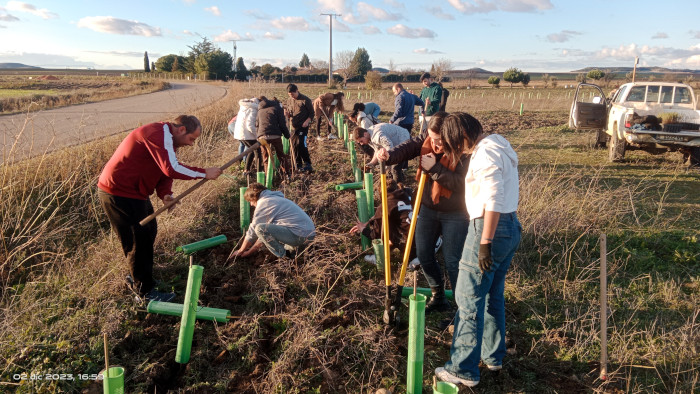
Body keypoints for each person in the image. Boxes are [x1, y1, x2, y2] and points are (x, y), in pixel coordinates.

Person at [434, 112, 522, 388]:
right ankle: (493, 356)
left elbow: (493, 197)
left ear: (462, 137)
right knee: (492, 294)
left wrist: (484, 242)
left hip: (490, 227)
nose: (454, 150)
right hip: (510, 226)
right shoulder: (499, 143)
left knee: (468, 297)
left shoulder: (484, 155)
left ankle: (463, 369)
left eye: (453, 143)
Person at [97, 115, 222, 302]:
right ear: (181, 130)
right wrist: (204, 172)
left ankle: (139, 277)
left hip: (135, 194)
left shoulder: (168, 141)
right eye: (191, 139)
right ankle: (144, 292)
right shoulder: (157, 133)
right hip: (118, 193)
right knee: (137, 240)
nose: (191, 144)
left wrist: (165, 194)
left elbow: (163, 172)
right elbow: (171, 168)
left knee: (149, 232)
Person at [377, 112, 469, 316]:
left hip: (455, 212)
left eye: (438, 139)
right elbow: (408, 147)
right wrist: (389, 154)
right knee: (425, 254)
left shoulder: (464, 151)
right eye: (431, 137)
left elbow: (461, 184)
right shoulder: (427, 140)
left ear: (449, 135)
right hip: (427, 208)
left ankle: (462, 309)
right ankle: (438, 297)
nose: (433, 142)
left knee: (453, 261)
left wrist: (434, 169)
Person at [231, 183, 316, 258]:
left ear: (254, 197)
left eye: (250, 201)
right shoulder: (274, 199)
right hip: (307, 235)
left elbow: (254, 231)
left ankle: (285, 256)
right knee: (262, 229)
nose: (251, 204)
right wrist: (249, 252)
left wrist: (241, 250)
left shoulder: (265, 203)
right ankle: (294, 252)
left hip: (300, 236)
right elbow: (263, 236)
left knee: (259, 228)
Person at [349, 179, 417, 266]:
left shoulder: (384, 206)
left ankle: (379, 257)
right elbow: (394, 209)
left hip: (413, 245)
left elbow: (376, 235)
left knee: (387, 231)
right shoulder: (406, 194)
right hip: (430, 238)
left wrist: (362, 229)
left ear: (380, 193)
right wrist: (370, 221)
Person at [256, 96, 292, 180]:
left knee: (265, 157)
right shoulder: (277, 109)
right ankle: (287, 174)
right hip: (275, 135)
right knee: (281, 155)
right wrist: (287, 135)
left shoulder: (260, 110)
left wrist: (258, 137)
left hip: (262, 136)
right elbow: (282, 124)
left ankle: (267, 177)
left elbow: (257, 125)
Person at [285, 84, 314, 173]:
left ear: (297, 90)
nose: (292, 96)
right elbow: (289, 113)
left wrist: (307, 121)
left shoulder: (305, 100)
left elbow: (312, 114)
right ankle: (298, 164)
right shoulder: (289, 101)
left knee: (301, 144)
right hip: (293, 126)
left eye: (293, 94)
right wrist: (287, 114)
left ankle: (307, 163)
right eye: (290, 95)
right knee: (293, 146)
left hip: (303, 126)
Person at [230, 97, 263, 175]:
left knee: (251, 150)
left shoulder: (244, 107)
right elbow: (250, 125)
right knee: (258, 151)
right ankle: (259, 172)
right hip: (247, 135)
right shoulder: (253, 109)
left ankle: (246, 170)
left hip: (240, 134)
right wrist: (257, 135)